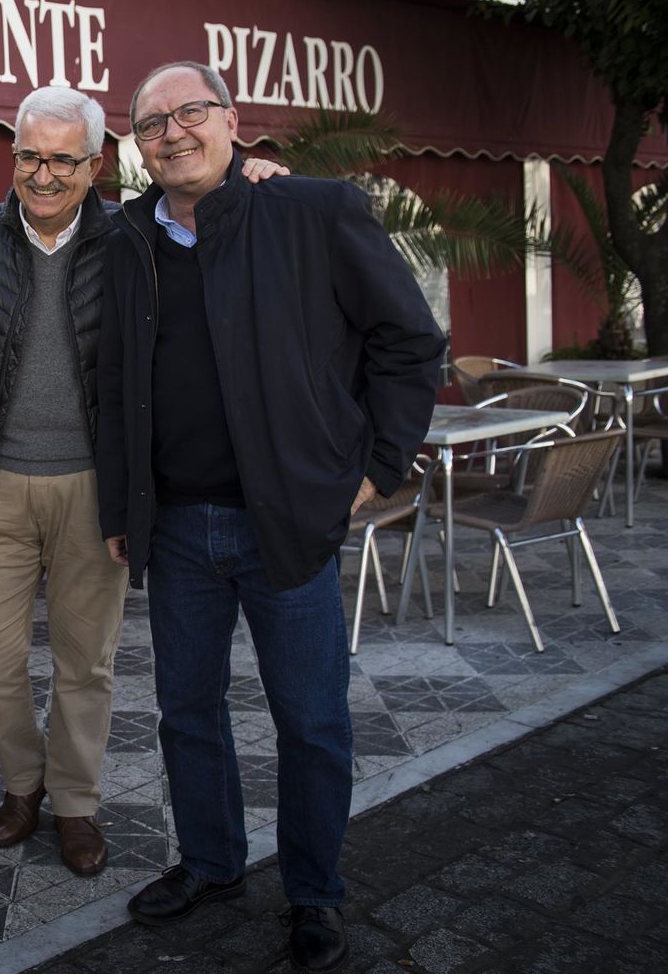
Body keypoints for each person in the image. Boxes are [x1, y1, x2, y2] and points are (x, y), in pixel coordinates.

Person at [97, 61, 444, 972]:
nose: (173, 132)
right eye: (152, 123)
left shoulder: (306, 210)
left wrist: (377, 466)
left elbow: (408, 339)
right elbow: (112, 383)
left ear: (231, 121)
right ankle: (212, 864)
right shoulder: (126, 236)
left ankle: (314, 893)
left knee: (311, 719)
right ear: (137, 146)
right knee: (186, 712)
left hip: (284, 519)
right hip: (174, 525)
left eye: (191, 113)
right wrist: (120, 504)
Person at [0, 86, 287, 878]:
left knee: (85, 662)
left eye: (65, 160)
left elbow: (218, 207)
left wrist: (266, 173)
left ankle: (72, 802)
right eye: (31, 155)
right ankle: (22, 781)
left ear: (96, 164)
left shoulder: (133, 235)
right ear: (14, 154)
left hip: (97, 489)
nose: (45, 174)